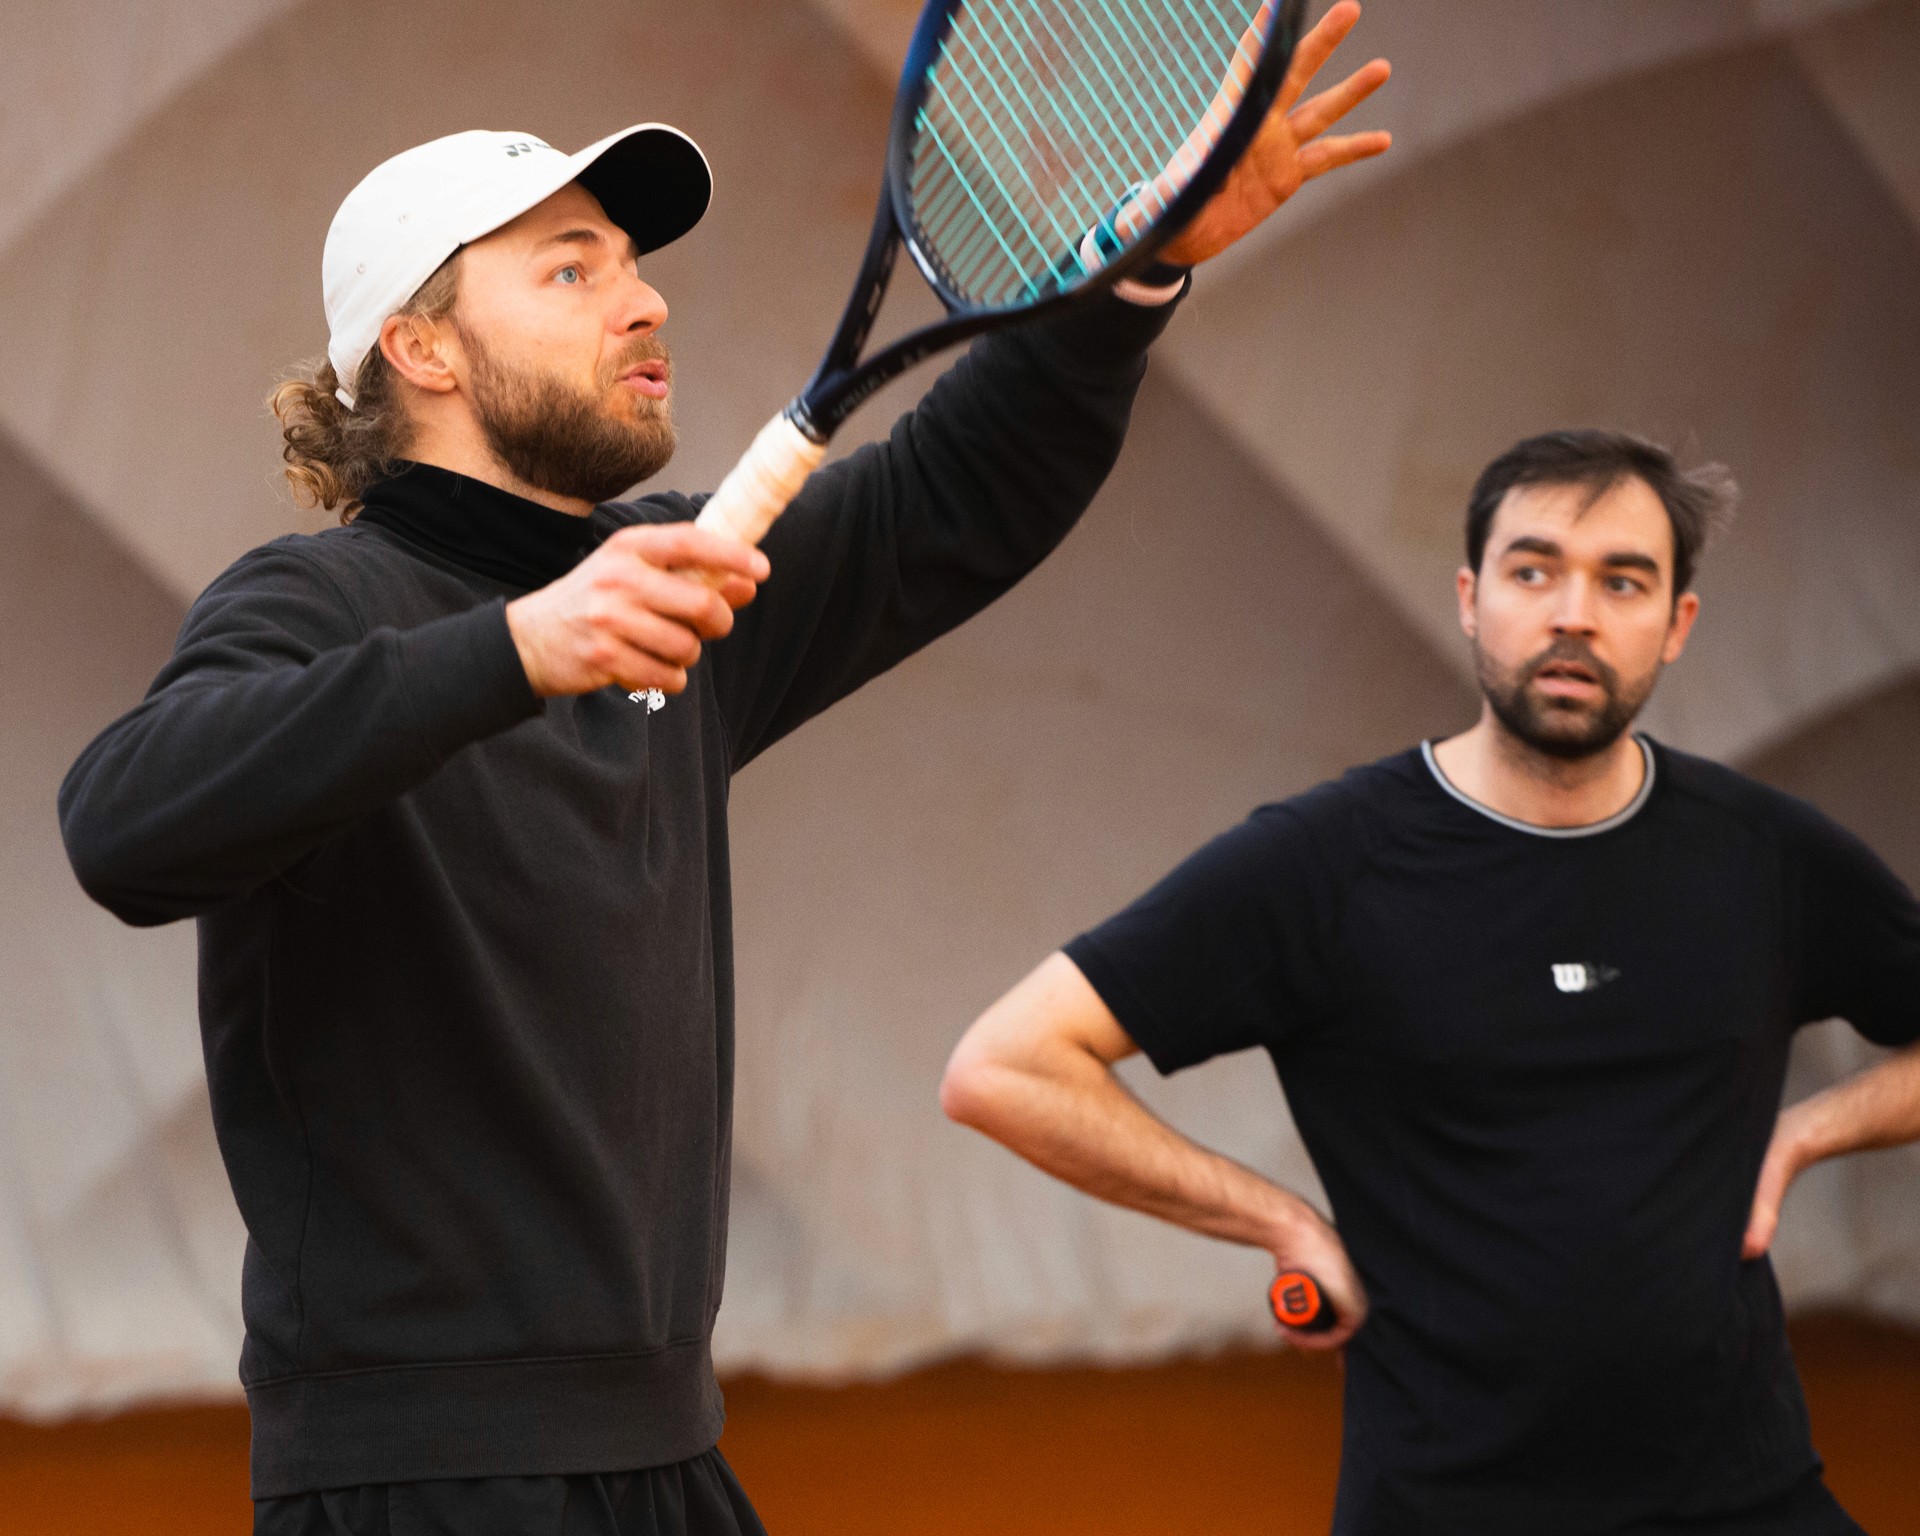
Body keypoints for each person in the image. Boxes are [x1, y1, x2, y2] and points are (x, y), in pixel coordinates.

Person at [56, 8, 1391, 1534]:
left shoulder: (670, 574)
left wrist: (1134, 268)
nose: (643, 301)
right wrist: (518, 649)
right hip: (414, 1483)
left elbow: (964, 486)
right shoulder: (315, 602)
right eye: (572, 271)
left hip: (671, 1463)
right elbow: (123, 822)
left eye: (632, 264)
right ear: (421, 350)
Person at [942, 428, 1920, 1535]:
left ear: (1678, 623)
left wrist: (1804, 1136)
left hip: (1746, 1499)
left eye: (1623, 581)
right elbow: (1005, 1067)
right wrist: (1283, 1225)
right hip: (1444, 1507)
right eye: (1533, 571)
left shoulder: (1765, 855)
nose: (1574, 615)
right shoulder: (1327, 863)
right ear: (1469, 598)